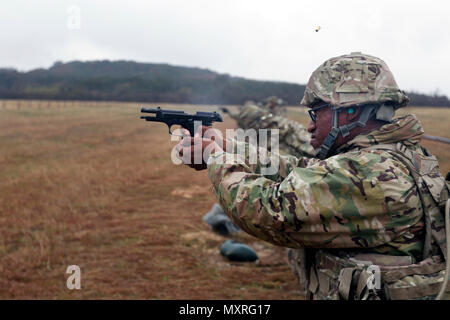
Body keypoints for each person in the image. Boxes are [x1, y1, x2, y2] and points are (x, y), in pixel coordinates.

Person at [176, 52, 449, 300]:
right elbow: (301, 170)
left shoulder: (370, 173)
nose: (309, 125)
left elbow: (269, 211)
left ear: (351, 110)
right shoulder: (388, 157)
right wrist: (228, 147)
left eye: (317, 112)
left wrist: (215, 158)